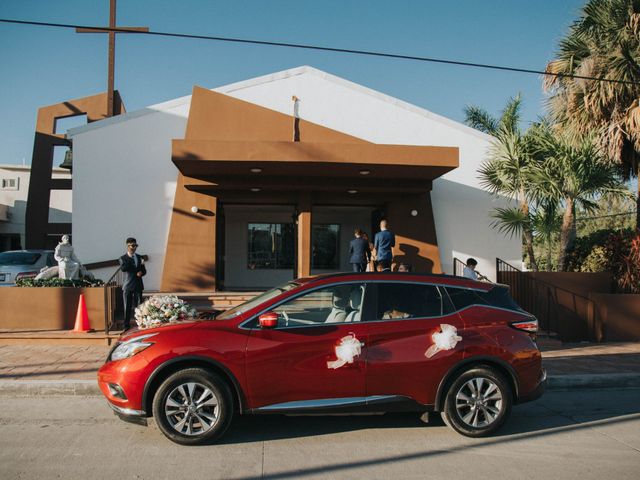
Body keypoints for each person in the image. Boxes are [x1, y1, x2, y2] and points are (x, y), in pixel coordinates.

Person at [119, 237, 146, 331]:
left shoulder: (140, 257)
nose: (134, 248)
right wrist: (130, 258)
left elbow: (144, 270)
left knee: (139, 306)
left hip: (138, 285)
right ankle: (126, 327)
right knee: (127, 307)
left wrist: (141, 273)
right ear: (128, 246)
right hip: (128, 286)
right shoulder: (123, 258)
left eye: (136, 245)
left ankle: (140, 324)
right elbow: (124, 268)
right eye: (132, 246)